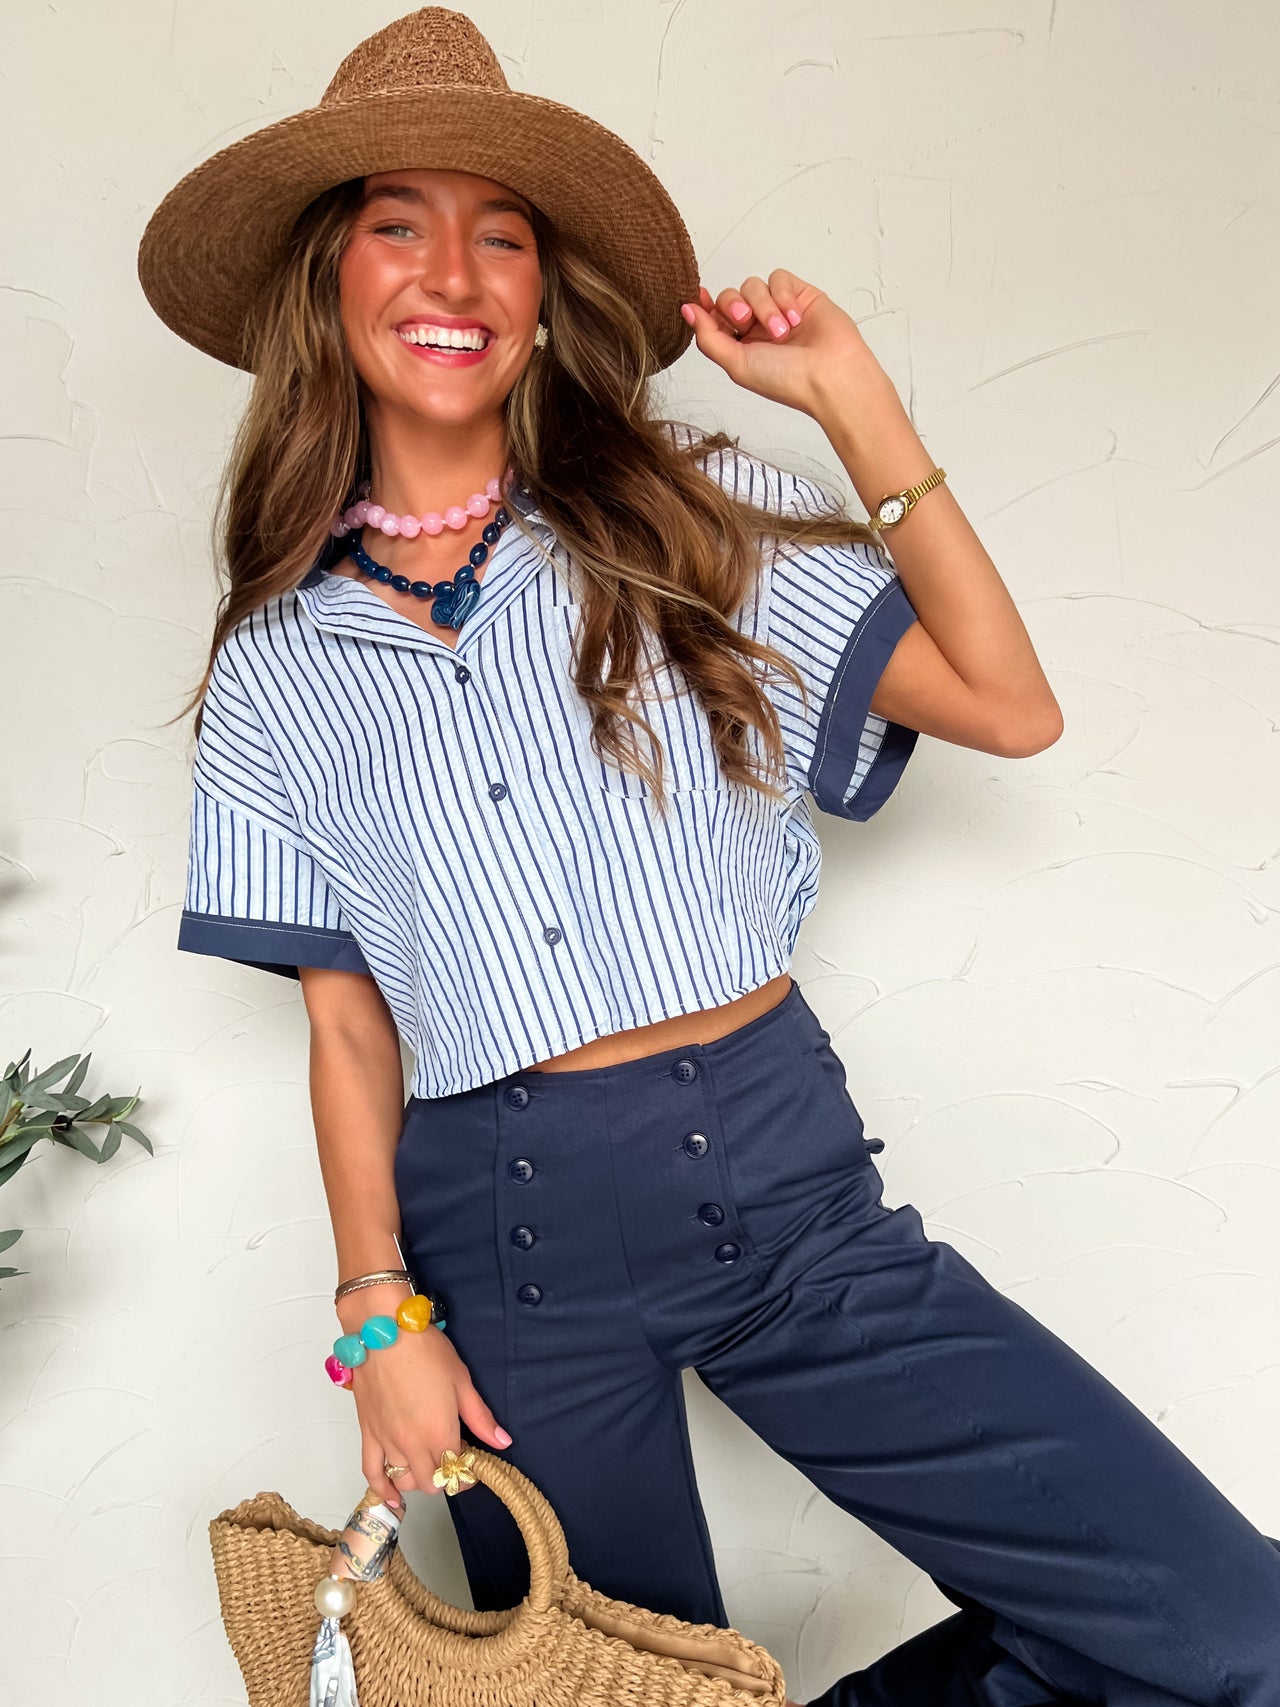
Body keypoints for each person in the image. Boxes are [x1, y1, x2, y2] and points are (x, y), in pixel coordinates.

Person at [140, 9, 1280, 1706]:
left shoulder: (682, 513)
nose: (453, 269)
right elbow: (348, 1023)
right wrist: (381, 1321)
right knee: (617, 1686)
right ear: (325, 280)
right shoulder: (274, 665)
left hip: (781, 1179)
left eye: (502, 233)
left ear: (538, 299)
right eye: (400, 221)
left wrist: (852, 395)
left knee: (1226, 1633)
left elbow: (1007, 703)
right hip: (499, 1239)